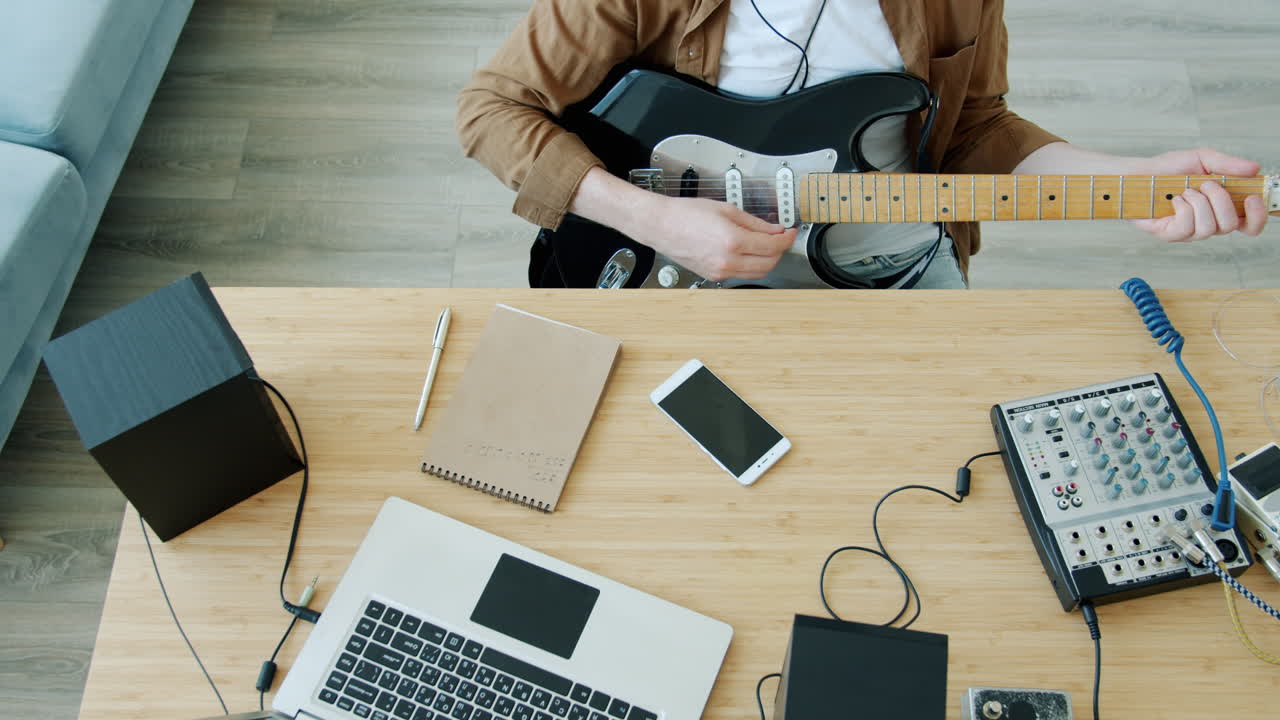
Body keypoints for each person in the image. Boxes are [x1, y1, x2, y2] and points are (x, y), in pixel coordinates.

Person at [456, 0, 1270, 288]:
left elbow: (978, 127)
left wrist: (1130, 180)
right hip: (662, 248)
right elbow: (491, 110)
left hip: (886, 251)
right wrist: (654, 220)